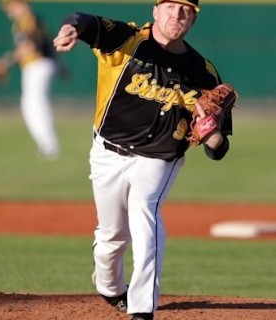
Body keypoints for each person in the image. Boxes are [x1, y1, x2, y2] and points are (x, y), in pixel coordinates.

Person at [53, 1, 232, 319]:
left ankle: (142, 308)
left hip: (160, 158)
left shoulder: (203, 72)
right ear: (156, 10)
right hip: (107, 152)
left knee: (145, 214)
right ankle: (110, 288)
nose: (176, 15)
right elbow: (84, 20)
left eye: (186, 10)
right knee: (112, 236)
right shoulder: (126, 40)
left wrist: (211, 137)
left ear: (193, 20)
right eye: (171, 7)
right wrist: (71, 28)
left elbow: (219, 148)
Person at [0, 0, 60, 160]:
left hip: (37, 65)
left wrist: (5, 62)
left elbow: (29, 47)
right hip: (43, 64)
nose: (8, 11)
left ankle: (48, 146)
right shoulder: (36, 18)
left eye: (10, 6)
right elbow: (47, 43)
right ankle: (48, 144)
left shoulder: (26, 19)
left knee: (32, 105)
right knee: (38, 104)